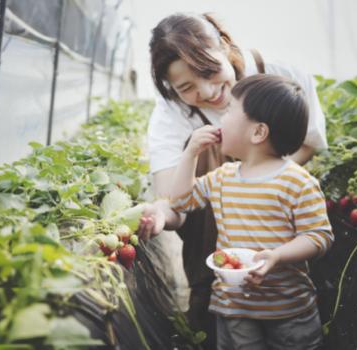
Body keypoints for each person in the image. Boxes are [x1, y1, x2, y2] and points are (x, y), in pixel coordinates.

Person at [138, 13, 328, 347]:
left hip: (288, 296)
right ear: (171, 88)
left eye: (210, 72)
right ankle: (203, 294)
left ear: (226, 48)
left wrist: (264, 176)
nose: (209, 93)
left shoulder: (282, 75)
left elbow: (310, 143)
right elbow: (175, 201)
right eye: (186, 88)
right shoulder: (177, 124)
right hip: (232, 296)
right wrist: (160, 211)